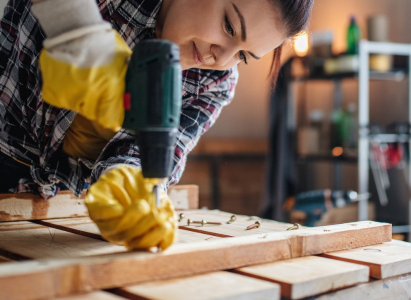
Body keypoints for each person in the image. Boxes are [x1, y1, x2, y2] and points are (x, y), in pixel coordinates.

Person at [0, 0, 314, 249]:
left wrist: (130, 184)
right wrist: (77, 29)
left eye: (243, 55)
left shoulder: (215, 82)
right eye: (229, 26)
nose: (221, 59)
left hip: (47, 210)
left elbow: (150, 151)